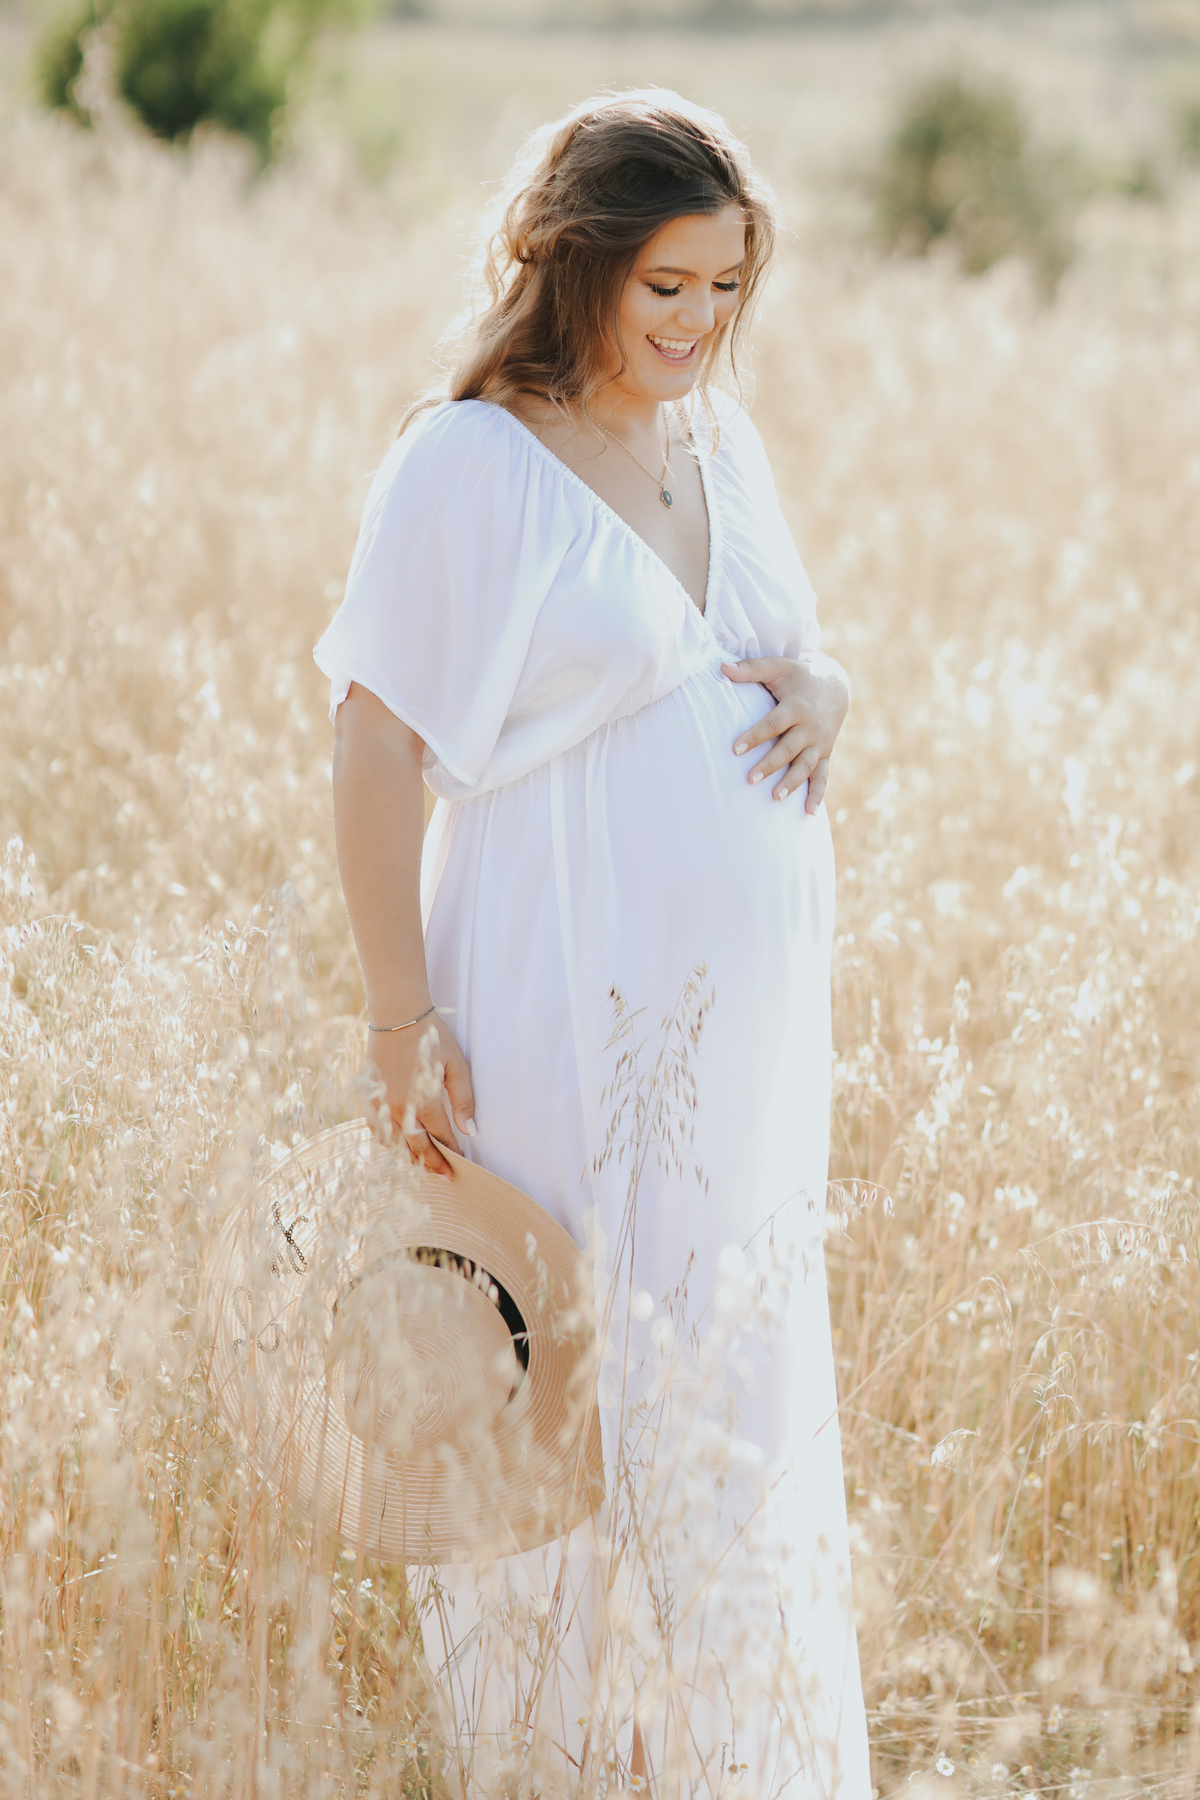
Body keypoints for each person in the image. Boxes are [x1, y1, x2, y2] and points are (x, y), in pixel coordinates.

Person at [315, 89, 870, 1799]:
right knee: (570, 1384)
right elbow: (371, 739)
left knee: (728, 1390)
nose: (701, 326)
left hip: (747, 1060)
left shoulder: (724, 443)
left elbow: (766, 644)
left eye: (725, 289)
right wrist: (404, 1021)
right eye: (667, 291)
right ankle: (568, 1761)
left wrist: (830, 685)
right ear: (574, 271)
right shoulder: (469, 459)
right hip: (560, 1004)